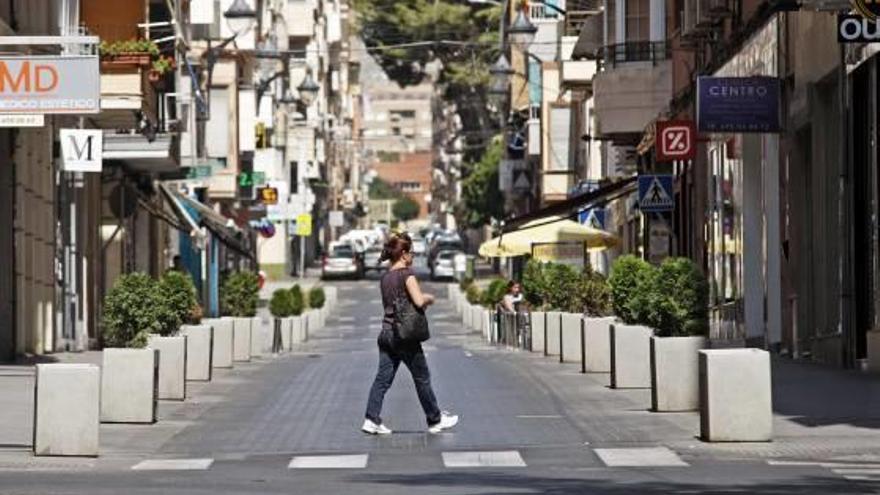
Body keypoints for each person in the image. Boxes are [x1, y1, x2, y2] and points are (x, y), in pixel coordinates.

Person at [362, 233, 459, 435]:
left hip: (386, 333)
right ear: (404, 254)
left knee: (382, 379)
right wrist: (429, 298)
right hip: (404, 335)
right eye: (412, 252)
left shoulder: (385, 277)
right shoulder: (407, 274)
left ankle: (371, 419)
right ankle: (435, 419)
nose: (413, 256)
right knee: (422, 377)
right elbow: (418, 301)